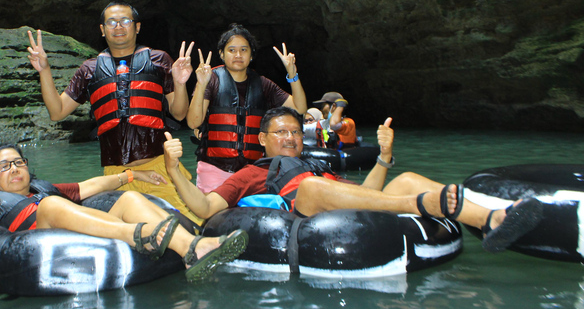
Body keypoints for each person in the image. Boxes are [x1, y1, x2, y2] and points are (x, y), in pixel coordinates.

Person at [163, 106, 543, 254]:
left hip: (343, 203)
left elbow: (364, 196)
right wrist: (174, 171)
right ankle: (432, 204)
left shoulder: (314, 165)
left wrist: (384, 157)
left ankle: (494, 219)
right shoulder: (250, 173)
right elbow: (205, 207)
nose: (290, 138)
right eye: (280, 133)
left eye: (295, 132)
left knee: (407, 178)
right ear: (262, 139)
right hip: (305, 213)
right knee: (310, 188)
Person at [0, 144, 249, 290]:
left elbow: (92, 184)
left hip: (87, 229)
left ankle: (192, 248)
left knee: (127, 201)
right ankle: (140, 236)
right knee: (50, 207)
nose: (15, 169)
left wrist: (131, 176)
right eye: (5, 166)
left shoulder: (44, 188)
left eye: (19, 162)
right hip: (37, 241)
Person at [27, 1, 203, 224]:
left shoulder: (159, 60)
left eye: (125, 21)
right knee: (125, 234)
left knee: (186, 223)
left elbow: (179, 114)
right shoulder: (89, 69)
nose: (118, 27)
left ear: (137, 27)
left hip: (160, 167)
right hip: (116, 174)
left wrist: (179, 83)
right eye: (111, 22)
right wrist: (44, 70)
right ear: (102, 29)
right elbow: (57, 112)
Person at [186, 24, 308, 193]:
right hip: (215, 168)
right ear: (221, 54)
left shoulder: (263, 84)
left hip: (252, 171)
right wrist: (201, 84)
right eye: (231, 50)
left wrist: (292, 74)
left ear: (251, 55)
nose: (238, 55)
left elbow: (299, 108)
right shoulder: (211, 80)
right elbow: (193, 122)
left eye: (244, 50)